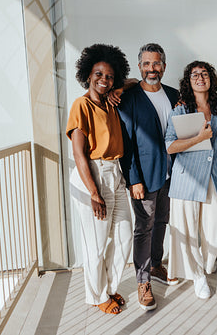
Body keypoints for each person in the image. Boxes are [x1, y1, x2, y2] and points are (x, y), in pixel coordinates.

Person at [66, 44, 132, 315]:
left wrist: (119, 88)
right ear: (87, 74)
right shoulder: (81, 105)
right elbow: (79, 154)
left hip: (114, 172)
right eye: (98, 74)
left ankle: (109, 287)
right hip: (92, 174)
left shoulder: (110, 101)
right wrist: (94, 193)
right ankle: (97, 296)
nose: (104, 80)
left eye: (109, 76)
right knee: (95, 244)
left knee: (125, 236)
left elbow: (135, 81)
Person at [118, 43, 179, 311]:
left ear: (164, 66)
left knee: (162, 221)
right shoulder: (129, 98)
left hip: (171, 174)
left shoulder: (174, 94)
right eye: (146, 64)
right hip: (144, 176)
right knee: (144, 227)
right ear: (139, 66)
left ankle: (156, 265)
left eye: (156, 64)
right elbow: (127, 144)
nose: (151, 69)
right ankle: (143, 281)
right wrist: (133, 180)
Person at [165, 61, 217, 299]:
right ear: (188, 82)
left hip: (213, 175)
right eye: (194, 75)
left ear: (211, 78)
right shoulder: (181, 109)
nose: (200, 78)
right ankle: (198, 276)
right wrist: (198, 138)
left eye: (204, 74)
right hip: (186, 177)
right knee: (188, 229)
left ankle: (205, 265)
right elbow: (170, 146)